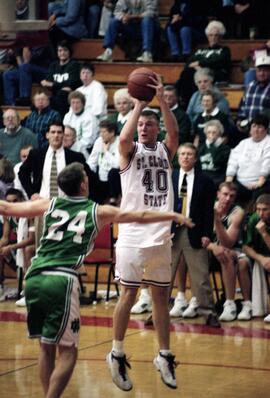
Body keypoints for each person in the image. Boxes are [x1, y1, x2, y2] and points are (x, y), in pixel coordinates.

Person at [0, 161, 192, 397]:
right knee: (69, 352)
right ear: (83, 185)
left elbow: (7, 209)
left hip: (34, 278)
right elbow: (139, 214)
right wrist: (171, 214)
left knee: (46, 347)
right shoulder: (98, 210)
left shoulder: (49, 204)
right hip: (62, 279)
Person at [107, 73, 186, 391]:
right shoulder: (129, 152)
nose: (143, 127)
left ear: (156, 128)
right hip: (131, 235)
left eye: (148, 124)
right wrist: (139, 104)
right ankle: (117, 352)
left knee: (160, 297)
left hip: (160, 236)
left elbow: (176, 133)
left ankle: (164, 355)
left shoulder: (164, 153)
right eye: (141, 124)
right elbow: (124, 139)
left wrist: (163, 102)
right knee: (127, 294)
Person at [169, 143, 220, 327]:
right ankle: (156, 313)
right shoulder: (170, 176)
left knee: (201, 277)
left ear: (196, 158)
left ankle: (209, 312)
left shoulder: (205, 181)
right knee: (164, 275)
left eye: (189, 154)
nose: (185, 157)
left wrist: (207, 233)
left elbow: (208, 210)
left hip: (195, 232)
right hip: (171, 232)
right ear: (178, 157)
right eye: (182, 153)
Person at [206, 182, 252, 321]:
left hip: (235, 250)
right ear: (218, 194)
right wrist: (214, 247)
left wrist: (217, 220)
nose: (227, 199)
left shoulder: (237, 212)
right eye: (225, 194)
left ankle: (236, 304)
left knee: (240, 261)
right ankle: (194, 300)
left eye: (231, 196)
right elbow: (200, 237)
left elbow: (228, 243)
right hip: (211, 249)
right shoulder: (207, 207)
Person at [175, 20, 231, 109]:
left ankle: (186, 103)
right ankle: (182, 101)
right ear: (207, 37)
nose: (213, 38)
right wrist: (200, 68)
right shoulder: (200, 50)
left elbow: (217, 61)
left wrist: (199, 63)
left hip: (215, 75)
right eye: (211, 35)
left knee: (190, 74)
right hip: (197, 74)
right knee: (186, 74)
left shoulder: (224, 50)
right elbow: (189, 63)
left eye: (216, 35)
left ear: (220, 37)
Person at [226, 114, 270, 205]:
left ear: (266, 130)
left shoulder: (268, 143)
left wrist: (260, 182)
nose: (256, 130)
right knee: (227, 190)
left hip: (260, 183)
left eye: (260, 127)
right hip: (240, 183)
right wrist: (229, 178)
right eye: (254, 126)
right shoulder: (243, 143)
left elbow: (267, 162)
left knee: (259, 195)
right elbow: (233, 160)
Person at [243, 194, 270, 322]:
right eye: (258, 209)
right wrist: (261, 258)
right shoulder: (254, 219)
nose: (261, 213)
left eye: (265, 209)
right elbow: (246, 247)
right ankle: (256, 308)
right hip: (262, 257)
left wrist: (264, 233)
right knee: (247, 263)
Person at [41, 40, 81, 118]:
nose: (62, 53)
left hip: (68, 97)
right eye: (60, 50)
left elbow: (71, 85)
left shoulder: (74, 65)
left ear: (69, 52)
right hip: (55, 97)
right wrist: (60, 86)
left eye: (65, 50)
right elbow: (47, 82)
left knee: (61, 94)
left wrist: (53, 85)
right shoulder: (53, 65)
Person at [87, 120, 121, 204]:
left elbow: (118, 164)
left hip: (115, 179)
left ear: (112, 132)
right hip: (101, 178)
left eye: (104, 132)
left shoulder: (120, 142)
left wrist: (106, 152)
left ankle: (114, 199)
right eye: (100, 132)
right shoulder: (99, 141)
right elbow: (92, 161)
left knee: (113, 172)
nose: (101, 134)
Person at [237, 55, 270, 142]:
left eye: (265, 70)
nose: (261, 73)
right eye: (259, 70)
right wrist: (240, 120)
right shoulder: (251, 86)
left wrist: (260, 130)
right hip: (249, 130)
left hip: (266, 132)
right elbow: (243, 106)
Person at [63, 90, 99, 158]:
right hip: (69, 145)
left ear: (83, 104)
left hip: (85, 150)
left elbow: (88, 142)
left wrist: (72, 145)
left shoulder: (90, 118)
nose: (75, 106)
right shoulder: (67, 116)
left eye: (78, 103)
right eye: (73, 103)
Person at [198, 120, 231, 188]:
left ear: (219, 134)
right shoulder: (201, 147)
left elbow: (217, 161)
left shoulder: (225, 149)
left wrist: (213, 146)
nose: (211, 135)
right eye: (209, 132)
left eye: (214, 132)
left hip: (217, 178)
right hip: (202, 176)